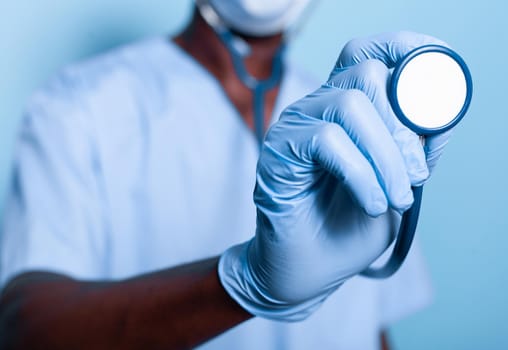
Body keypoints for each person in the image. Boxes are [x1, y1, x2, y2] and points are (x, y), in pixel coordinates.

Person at [0, 0, 451, 349]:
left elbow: (372, 328)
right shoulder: (79, 105)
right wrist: (243, 282)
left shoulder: (360, 117)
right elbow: (24, 329)